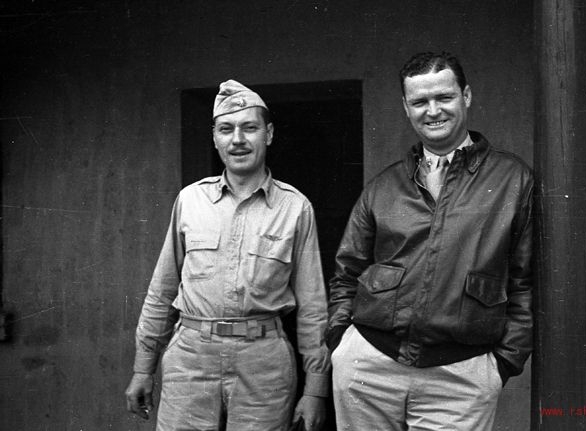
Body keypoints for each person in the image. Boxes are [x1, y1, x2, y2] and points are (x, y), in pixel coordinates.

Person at [327, 52, 534, 430]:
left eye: (444, 98)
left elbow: (527, 281)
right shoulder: (384, 186)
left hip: (462, 374)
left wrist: (503, 363)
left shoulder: (512, 179)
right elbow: (346, 272)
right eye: (420, 102)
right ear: (406, 108)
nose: (433, 110)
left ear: (466, 96)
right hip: (368, 366)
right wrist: (341, 341)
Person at [125, 80, 329, 431]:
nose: (238, 139)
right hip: (190, 357)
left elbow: (313, 306)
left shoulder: (295, 207)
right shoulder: (191, 200)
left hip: (264, 361)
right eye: (226, 129)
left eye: (249, 128)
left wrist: (316, 389)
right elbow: (161, 290)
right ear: (215, 137)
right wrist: (143, 367)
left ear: (269, 134)